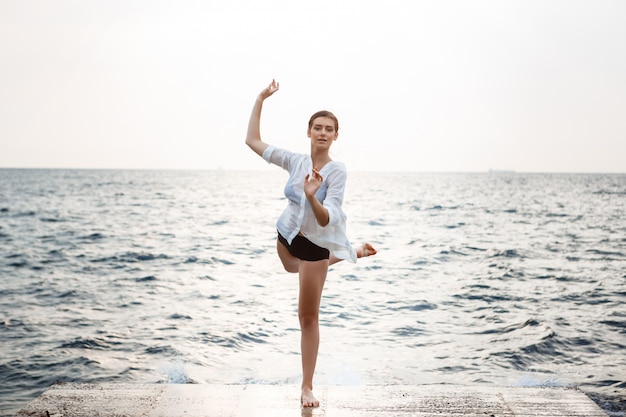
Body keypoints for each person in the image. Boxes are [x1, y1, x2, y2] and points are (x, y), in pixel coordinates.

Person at [245, 79, 377, 408]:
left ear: (335, 135)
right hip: (285, 238)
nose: (322, 132)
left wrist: (311, 196)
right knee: (293, 268)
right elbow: (252, 140)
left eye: (328, 129)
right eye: (317, 127)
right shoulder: (295, 161)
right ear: (308, 132)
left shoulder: (337, 171)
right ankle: (351, 252)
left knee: (307, 318)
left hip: (315, 246)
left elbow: (325, 218)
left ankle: (306, 386)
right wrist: (261, 97)